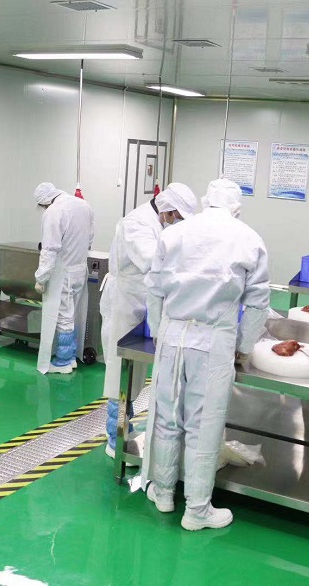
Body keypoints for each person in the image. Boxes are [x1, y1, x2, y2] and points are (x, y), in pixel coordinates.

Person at [140, 178, 270, 531]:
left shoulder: (175, 233)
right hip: (214, 340)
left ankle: (163, 493)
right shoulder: (248, 238)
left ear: (205, 201)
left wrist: (159, 332)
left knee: (166, 417)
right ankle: (197, 510)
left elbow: (154, 289)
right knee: (204, 425)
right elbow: (257, 303)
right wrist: (245, 348)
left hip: (172, 335)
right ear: (236, 208)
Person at [100, 183, 198, 461]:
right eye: (177, 217)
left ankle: (126, 425)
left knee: (135, 373)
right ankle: (115, 436)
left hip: (142, 302)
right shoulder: (137, 224)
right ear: (167, 209)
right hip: (124, 301)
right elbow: (155, 263)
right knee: (119, 371)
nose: (177, 223)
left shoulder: (160, 223)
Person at [33, 182, 95, 374]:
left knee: (62, 317)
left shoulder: (53, 212)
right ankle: (71, 357)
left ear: (45, 202)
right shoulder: (83, 205)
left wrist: (41, 278)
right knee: (72, 313)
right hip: (80, 268)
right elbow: (90, 238)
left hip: (63, 273)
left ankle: (64, 362)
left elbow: (49, 249)